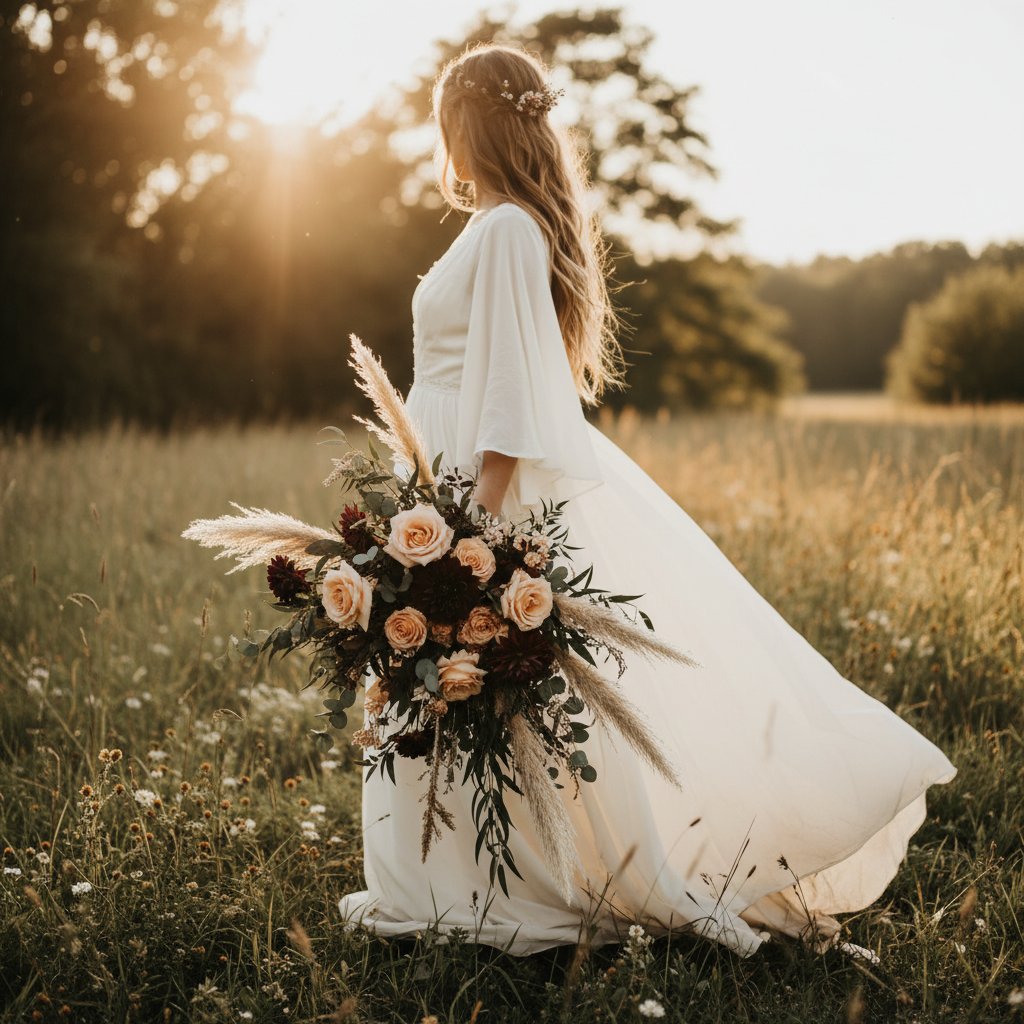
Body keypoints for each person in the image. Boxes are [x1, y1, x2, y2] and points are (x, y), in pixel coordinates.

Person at [336, 41, 956, 957]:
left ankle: (506, 881)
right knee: (469, 693)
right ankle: (451, 877)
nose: (442, 142)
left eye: (444, 121)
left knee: (491, 686)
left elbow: (507, 392)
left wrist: (473, 525)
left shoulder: (506, 228)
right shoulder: (496, 225)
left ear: (467, 123)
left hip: (474, 489)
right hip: (443, 480)